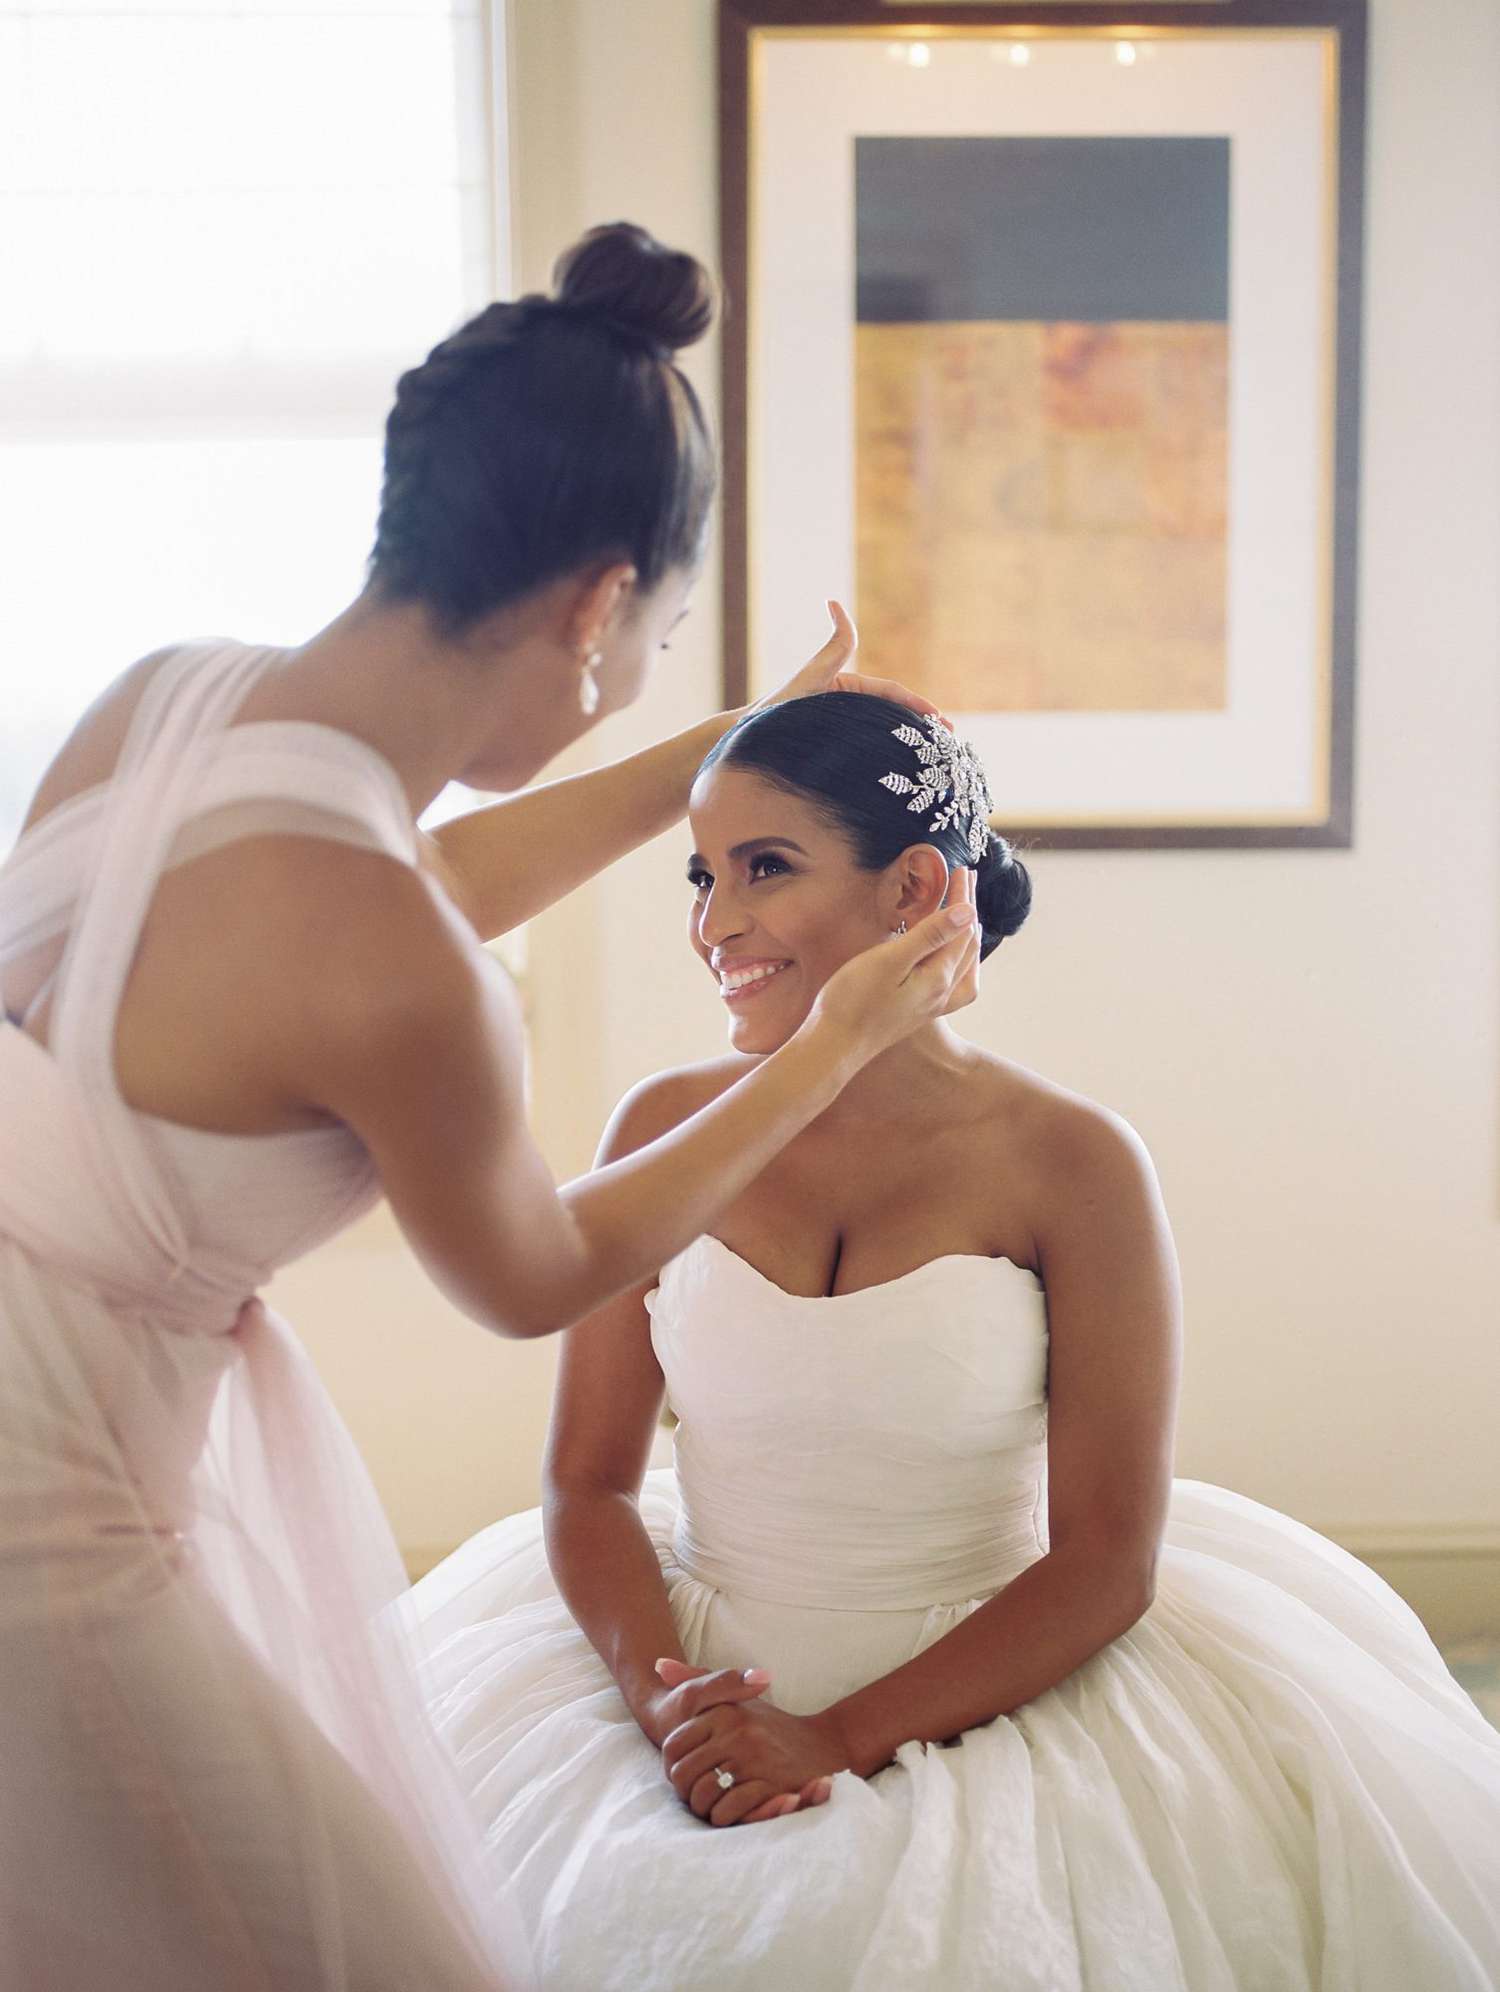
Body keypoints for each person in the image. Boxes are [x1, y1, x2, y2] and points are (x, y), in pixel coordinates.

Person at [0, 225, 981, 1992]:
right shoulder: (396, 973)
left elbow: (379, 886)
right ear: (599, 603)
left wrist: (714, 748)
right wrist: (828, 1047)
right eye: (657, 635)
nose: (638, 666)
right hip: (37, 1543)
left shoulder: (170, 704)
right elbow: (538, 1271)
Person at [408, 692, 1500, 1991]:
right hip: (689, 1649)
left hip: (989, 1672)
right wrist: (668, 1708)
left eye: (766, 869)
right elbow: (586, 1479)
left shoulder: (1073, 1162)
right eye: (702, 877)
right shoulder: (661, 1124)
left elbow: (1104, 1558)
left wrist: (830, 1740)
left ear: (915, 885)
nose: (715, 924)